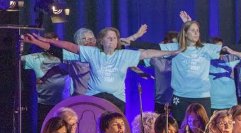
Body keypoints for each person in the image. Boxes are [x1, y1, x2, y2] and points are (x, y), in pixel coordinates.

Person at [31, 27, 175, 112]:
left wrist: (137, 36)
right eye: (85, 39)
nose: (90, 41)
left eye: (91, 38)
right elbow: (59, 56)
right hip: (86, 100)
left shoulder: (109, 53)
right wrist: (41, 42)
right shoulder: (78, 57)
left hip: (114, 100)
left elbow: (124, 44)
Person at [160, 13, 225, 121]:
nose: (196, 33)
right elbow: (153, 48)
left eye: (198, 31)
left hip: (202, 97)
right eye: (193, 30)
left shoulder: (206, 49)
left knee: (203, 131)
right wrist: (131, 42)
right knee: (180, 129)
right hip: (181, 97)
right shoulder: (175, 47)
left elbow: (230, 48)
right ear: (185, 33)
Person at [21, 32, 71, 125]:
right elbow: (14, 60)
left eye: (57, 44)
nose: (54, 47)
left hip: (63, 105)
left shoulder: (67, 58)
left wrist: (44, 78)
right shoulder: (34, 58)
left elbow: (58, 68)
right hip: (42, 105)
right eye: (51, 44)